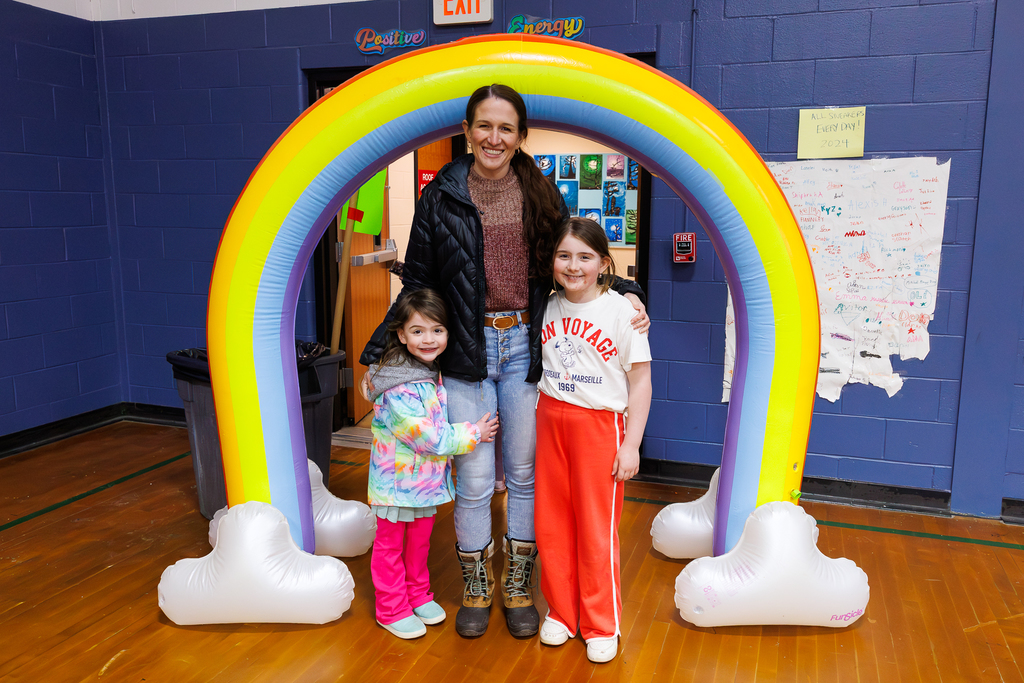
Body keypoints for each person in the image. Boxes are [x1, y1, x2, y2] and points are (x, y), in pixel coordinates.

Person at [361, 83, 649, 639]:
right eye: (484, 126)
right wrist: (381, 352)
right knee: (471, 478)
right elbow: (418, 281)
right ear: (467, 131)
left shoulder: (540, 192)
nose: (494, 137)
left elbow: (574, 256)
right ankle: (476, 585)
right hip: (467, 351)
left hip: (527, 345)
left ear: (520, 137)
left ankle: (518, 585)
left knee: (522, 475)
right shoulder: (440, 194)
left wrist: (626, 290)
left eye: (506, 128)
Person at [534, 217, 652, 663]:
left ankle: (602, 621)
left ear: (604, 263)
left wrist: (631, 444)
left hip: (600, 425)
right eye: (564, 256)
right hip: (550, 418)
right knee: (552, 523)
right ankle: (563, 614)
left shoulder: (624, 312)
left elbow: (641, 383)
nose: (573, 265)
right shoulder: (546, 305)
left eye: (585, 257)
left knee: (596, 528)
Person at [365, 289, 500, 640]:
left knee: (418, 546)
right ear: (401, 334)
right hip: (396, 487)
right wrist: (474, 432)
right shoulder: (399, 385)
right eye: (418, 331)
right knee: (391, 548)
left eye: (437, 330)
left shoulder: (428, 372)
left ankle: (417, 595)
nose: (429, 339)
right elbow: (428, 437)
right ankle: (391, 608)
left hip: (424, 486)